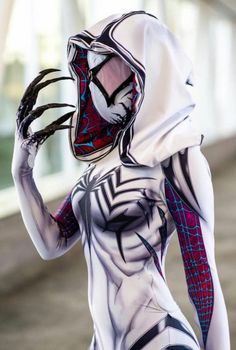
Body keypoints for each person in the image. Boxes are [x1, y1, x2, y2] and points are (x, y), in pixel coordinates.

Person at [12, 10, 230, 350]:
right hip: (103, 341)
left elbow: (202, 276)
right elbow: (51, 243)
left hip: (159, 337)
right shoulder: (101, 160)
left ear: (148, 69)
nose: (100, 87)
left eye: (111, 70)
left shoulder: (177, 158)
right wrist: (22, 175)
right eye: (95, 72)